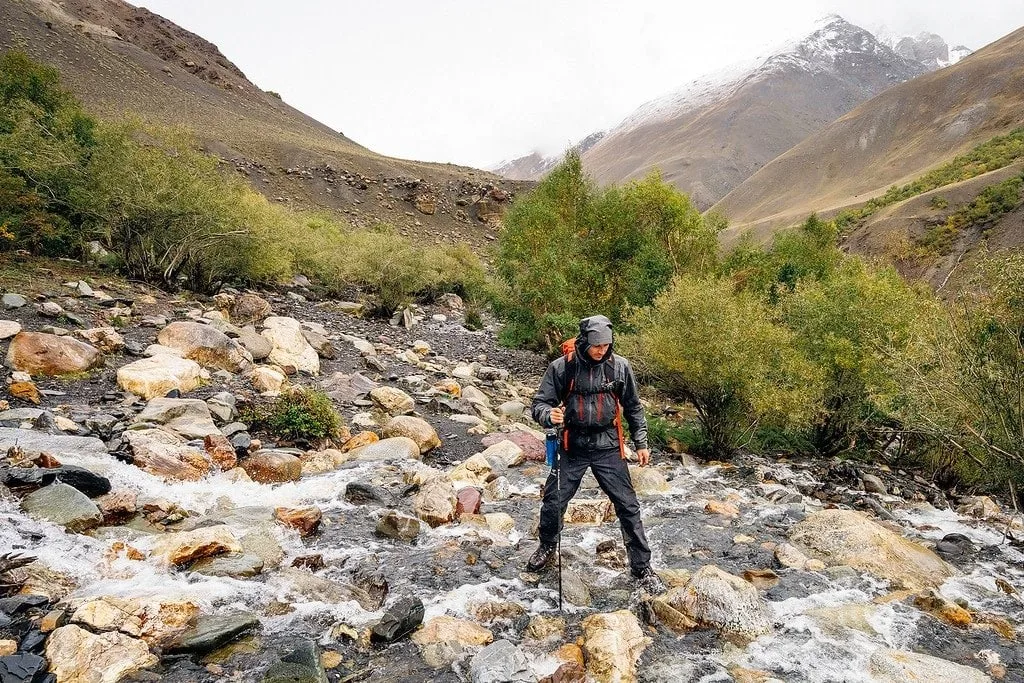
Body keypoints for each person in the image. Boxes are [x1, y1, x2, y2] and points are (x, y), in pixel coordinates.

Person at [528, 314, 666, 594]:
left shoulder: (620, 368)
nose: (602, 350)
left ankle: (641, 567)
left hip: (608, 446)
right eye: (596, 346)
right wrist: (548, 415)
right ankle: (546, 546)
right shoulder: (562, 368)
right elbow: (539, 404)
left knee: (627, 506)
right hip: (572, 446)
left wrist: (641, 442)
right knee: (554, 501)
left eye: (606, 345)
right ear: (583, 341)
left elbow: (634, 408)